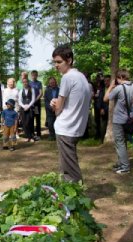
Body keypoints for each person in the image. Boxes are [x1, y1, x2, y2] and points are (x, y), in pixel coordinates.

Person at [50, 44, 91, 183]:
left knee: (69, 170)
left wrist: (54, 104)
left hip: (66, 128)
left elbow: (58, 109)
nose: (56, 65)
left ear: (69, 60)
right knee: (69, 165)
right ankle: (71, 197)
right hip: (76, 128)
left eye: (59, 62)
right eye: (54, 62)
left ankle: (76, 198)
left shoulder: (67, 77)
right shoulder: (81, 77)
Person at [104, 69, 133, 174]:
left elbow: (105, 99)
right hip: (129, 118)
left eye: (117, 79)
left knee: (119, 143)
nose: (117, 81)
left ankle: (125, 167)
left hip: (119, 119)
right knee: (123, 142)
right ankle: (121, 162)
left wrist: (110, 86)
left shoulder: (118, 88)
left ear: (121, 77)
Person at [18, 77, 37, 142]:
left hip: (30, 108)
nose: (25, 83)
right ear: (22, 83)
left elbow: (33, 99)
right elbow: (19, 100)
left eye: (26, 82)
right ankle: (28, 136)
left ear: (28, 82)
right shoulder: (21, 90)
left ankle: (32, 136)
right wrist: (23, 106)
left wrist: (28, 106)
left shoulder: (32, 89)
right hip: (23, 108)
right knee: (24, 123)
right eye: (24, 82)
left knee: (30, 122)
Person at [44, 76, 59, 140]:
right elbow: (46, 101)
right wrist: (51, 108)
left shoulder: (60, 90)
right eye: (51, 83)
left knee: (58, 123)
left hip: (58, 109)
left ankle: (58, 135)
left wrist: (56, 108)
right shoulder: (47, 91)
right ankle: (51, 135)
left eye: (53, 82)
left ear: (55, 82)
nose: (52, 84)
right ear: (49, 83)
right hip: (50, 110)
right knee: (50, 123)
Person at [30, 70, 43, 139]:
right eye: (33, 75)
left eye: (35, 75)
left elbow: (41, 93)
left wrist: (35, 100)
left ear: (37, 75)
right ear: (31, 75)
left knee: (37, 118)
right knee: (31, 118)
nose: (34, 76)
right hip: (30, 104)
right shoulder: (29, 83)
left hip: (36, 104)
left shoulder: (39, 83)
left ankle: (38, 134)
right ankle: (32, 134)